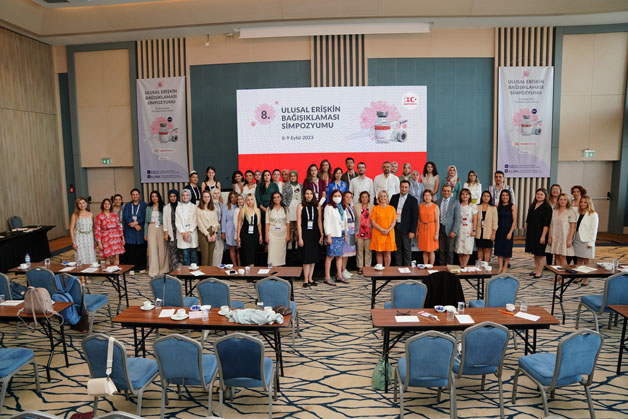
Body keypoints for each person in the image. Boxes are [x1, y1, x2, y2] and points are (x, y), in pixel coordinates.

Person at [297, 187, 323, 287]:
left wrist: (322, 234)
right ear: (304, 195)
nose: (309, 196)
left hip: (315, 234)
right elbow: (299, 223)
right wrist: (300, 237)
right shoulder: (300, 206)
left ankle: (311, 278)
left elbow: (319, 221)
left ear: (313, 195)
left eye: (311, 194)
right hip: (305, 234)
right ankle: (305, 280)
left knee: (313, 257)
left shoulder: (317, 206)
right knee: (306, 258)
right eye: (307, 194)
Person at [390, 180, 419, 267]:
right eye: (402, 187)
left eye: (406, 187)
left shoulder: (413, 200)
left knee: (407, 249)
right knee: (397, 249)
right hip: (395, 226)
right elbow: (390, 212)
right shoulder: (394, 197)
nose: (404, 189)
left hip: (407, 229)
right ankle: (398, 267)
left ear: (409, 188)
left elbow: (415, 217)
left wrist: (412, 231)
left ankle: (407, 267)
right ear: (400, 187)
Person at [525, 188, 552, 279]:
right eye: (537, 194)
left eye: (541, 194)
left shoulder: (547, 207)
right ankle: (536, 269)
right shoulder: (533, 205)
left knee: (541, 253)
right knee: (535, 252)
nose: (539, 196)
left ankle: (540, 271)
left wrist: (543, 236)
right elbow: (528, 220)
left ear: (545, 196)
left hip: (541, 233)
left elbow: (546, 224)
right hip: (532, 233)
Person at [324, 189, 348, 285]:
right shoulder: (328, 207)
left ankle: (339, 275)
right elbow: (326, 222)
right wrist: (328, 236)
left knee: (339, 256)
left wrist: (345, 234)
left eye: (339, 196)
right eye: (335, 196)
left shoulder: (342, 207)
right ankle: (327, 277)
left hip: (341, 234)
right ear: (332, 197)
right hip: (333, 235)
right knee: (330, 256)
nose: (337, 198)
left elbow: (345, 221)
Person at [574, 196, 599, 286]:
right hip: (577, 238)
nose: (582, 204)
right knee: (578, 259)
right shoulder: (578, 212)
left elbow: (594, 229)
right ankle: (579, 276)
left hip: (586, 240)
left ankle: (586, 278)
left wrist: (591, 242)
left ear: (589, 203)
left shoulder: (593, 214)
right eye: (581, 202)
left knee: (586, 260)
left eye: (585, 202)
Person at [548, 193, 577, 269]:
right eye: (560, 199)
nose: (562, 201)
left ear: (567, 201)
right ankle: (558, 273)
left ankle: (564, 273)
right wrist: (550, 237)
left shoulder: (571, 211)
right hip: (555, 236)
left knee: (562, 256)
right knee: (557, 256)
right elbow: (551, 225)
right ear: (558, 201)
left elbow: (573, 227)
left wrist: (569, 239)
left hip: (565, 237)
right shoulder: (554, 210)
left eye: (564, 199)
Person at [144, 190, 168, 277]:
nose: (154, 198)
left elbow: (166, 220)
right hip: (151, 227)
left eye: (156, 196)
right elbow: (146, 222)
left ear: (159, 197)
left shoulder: (164, 207)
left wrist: (166, 232)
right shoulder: (148, 208)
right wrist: (145, 233)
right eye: (152, 196)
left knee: (162, 248)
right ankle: (153, 271)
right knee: (152, 249)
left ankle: (163, 269)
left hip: (161, 227)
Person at [370, 190, 397, 268]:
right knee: (379, 252)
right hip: (378, 233)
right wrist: (382, 230)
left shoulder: (392, 208)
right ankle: (380, 269)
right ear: (378, 198)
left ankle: (387, 270)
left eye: (384, 196)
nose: (383, 197)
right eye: (381, 196)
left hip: (389, 233)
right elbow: (373, 222)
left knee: (387, 253)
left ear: (387, 197)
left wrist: (389, 230)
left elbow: (394, 221)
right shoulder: (375, 208)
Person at [122, 188, 147, 271]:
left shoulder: (144, 205)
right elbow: (125, 216)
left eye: (136, 194)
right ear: (131, 196)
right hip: (130, 230)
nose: (135, 196)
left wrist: (137, 222)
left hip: (140, 230)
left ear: (139, 195)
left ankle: (141, 267)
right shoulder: (127, 205)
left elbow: (145, 216)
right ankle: (131, 268)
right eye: (133, 195)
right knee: (131, 250)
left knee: (141, 250)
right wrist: (133, 224)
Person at [95, 198, 125, 266]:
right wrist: (99, 243)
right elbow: (97, 230)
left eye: (108, 204)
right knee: (107, 258)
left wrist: (122, 238)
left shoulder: (114, 215)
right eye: (105, 204)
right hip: (105, 237)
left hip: (116, 237)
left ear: (111, 205)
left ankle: (116, 271)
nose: (107, 205)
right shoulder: (99, 216)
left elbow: (119, 227)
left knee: (116, 257)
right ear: (102, 205)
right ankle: (109, 271)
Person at [437, 184, 461, 265]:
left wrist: (454, 231)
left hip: (451, 230)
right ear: (442, 192)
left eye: (448, 191)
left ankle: (449, 268)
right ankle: (441, 268)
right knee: (441, 250)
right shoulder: (437, 202)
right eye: (444, 191)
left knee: (450, 251)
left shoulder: (455, 202)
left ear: (451, 192)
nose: (446, 192)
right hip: (440, 229)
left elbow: (457, 219)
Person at [236, 194, 262, 266]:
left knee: (253, 253)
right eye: (248, 200)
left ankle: (252, 269)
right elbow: (239, 224)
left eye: (251, 199)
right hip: (245, 235)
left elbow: (259, 224)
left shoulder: (258, 211)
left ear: (254, 200)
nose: (250, 201)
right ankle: (248, 269)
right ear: (245, 201)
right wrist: (238, 236)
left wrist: (260, 236)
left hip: (254, 235)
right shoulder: (242, 210)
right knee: (246, 253)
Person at [175, 189, 199, 266]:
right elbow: (177, 221)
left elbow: (195, 220)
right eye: (183, 195)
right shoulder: (178, 207)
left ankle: (195, 271)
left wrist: (190, 231)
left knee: (194, 254)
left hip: (192, 232)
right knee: (185, 255)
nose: (185, 197)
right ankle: (187, 272)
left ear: (190, 196)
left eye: (187, 195)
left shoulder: (195, 207)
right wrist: (183, 232)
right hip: (182, 234)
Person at [495, 190, 517, 273]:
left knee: (507, 250)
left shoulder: (512, 206)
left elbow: (514, 221)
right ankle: (500, 266)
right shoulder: (498, 207)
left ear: (509, 196)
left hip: (508, 230)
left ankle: (505, 267)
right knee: (499, 249)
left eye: (506, 195)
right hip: (499, 230)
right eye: (503, 195)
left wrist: (510, 232)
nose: (505, 197)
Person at [266, 191, 290, 267]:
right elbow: (267, 223)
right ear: (272, 199)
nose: (276, 199)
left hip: (282, 234)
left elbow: (288, 223)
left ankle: (280, 271)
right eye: (274, 197)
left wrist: (288, 235)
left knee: (281, 253)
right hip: (272, 233)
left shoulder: (285, 208)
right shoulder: (269, 209)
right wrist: (266, 236)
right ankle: (270, 269)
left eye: (278, 197)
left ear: (281, 198)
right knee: (271, 253)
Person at [71, 197, 97, 265]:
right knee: (81, 256)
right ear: (77, 205)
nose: (82, 205)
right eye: (80, 203)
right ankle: (82, 271)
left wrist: (95, 240)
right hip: (79, 238)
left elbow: (93, 228)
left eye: (83, 203)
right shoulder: (75, 215)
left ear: (86, 203)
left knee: (90, 255)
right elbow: (71, 229)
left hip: (89, 238)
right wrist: (73, 242)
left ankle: (90, 270)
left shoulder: (91, 214)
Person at [255, 170, 279, 243]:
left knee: (272, 226)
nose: (267, 177)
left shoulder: (274, 185)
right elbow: (257, 197)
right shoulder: (259, 186)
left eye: (268, 175)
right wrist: (262, 207)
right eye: (265, 175)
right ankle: (263, 242)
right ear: (263, 177)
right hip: (262, 209)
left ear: (270, 176)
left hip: (272, 208)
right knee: (263, 225)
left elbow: (277, 196)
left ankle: (272, 241)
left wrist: (271, 207)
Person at [454, 188, 477, 268]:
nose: (465, 196)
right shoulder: (458, 206)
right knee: (460, 249)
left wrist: (474, 230)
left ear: (469, 196)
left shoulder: (472, 206)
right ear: (460, 196)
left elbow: (475, 219)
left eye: (467, 194)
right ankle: (461, 266)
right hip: (460, 229)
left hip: (469, 229)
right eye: (463, 194)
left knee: (467, 249)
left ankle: (464, 265)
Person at [196, 190, 219, 266]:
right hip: (203, 233)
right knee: (205, 256)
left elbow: (216, 222)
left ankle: (209, 273)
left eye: (208, 196)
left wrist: (215, 233)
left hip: (213, 231)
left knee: (210, 255)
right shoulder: (199, 209)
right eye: (205, 197)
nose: (207, 198)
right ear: (202, 198)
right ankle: (204, 273)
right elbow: (200, 224)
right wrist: (207, 234)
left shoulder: (213, 208)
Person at [475, 190, 498, 263]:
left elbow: (495, 222)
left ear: (490, 198)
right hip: (479, 231)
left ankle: (486, 265)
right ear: (481, 197)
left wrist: (493, 234)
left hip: (489, 232)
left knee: (487, 249)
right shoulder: (477, 207)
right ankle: (480, 265)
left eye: (488, 196)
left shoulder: (493, 208)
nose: (486, 197)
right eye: (484, 196)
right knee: (480, 249)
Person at [354, 191, 374, 275]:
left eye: (366, 197)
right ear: (360, 198)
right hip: (359, 232)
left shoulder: (373, 207)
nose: (364, 198)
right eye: (362, 197)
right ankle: (360, 267)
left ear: (369, 198)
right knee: (359, 251)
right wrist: (354, 232)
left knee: (368, 251)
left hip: (369, 232)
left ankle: (367, 267)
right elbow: (354, 220)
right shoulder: (356, 207)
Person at [418, 189, 440, 265]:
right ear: (423, 197)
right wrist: (417, 231)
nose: (427, 197)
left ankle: (431, 266)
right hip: (422, 228)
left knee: (431, 250)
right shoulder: (420, 206)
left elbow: (437, 221)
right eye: (425, 195)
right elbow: (419, 219)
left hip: (432, 229)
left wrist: (437, 233)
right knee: (424, 249)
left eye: (428, 195)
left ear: (431, 197)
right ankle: (425, 265)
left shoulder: (435, 206)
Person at [163, 189, 183, 269]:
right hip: (171, 232)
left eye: (174, 196)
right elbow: (165, 221)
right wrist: (165, 233)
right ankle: (173, 270)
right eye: (170, 196)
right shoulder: (166, 207)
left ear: (177, 196)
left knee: (181, 251)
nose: (172, 198)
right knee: (172, 252)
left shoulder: (181, 206)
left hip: (180, 232)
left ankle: (182, 270)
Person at [282, 171, 302, 249]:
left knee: (297, 226)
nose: (293, 177)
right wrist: (285, 207)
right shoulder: (287, 186)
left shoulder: (301, 186)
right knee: (290, 227)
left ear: (297, 177)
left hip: (298, 208)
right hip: (289, 208)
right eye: (291, 176)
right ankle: (290, 241)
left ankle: (296, 241)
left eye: (294, 176)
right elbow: (283, 197)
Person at [341, 191, 356, 279]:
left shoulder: (350, 208)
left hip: (352, 232)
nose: (349, 199)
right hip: (346, 233)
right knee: (343, 253)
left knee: (348, 253)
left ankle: (344, 269)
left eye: (350, 197)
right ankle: (341, 270)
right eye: (347, 197)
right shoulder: (341, 208)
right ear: (343, 197)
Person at [222, 191, 240, 266]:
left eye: (235, 197)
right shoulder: (226, 208)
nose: (234, 199)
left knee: (239, 248)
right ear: (229, 198)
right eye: (232, 197)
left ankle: (240, 265)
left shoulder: (240, 207)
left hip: (238, 228)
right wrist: (223, 232)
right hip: (229, 228)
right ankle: (235, 265)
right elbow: (223, 220)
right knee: (232, 247)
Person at [546, 184, 562, 266]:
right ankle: (548, 264)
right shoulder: (547, 201)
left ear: (560, 191)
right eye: (553, 189)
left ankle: (556, 264)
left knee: (557, 245)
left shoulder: (562, 201)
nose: (555, 191)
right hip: (548, 225)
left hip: (558, 226)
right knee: (549, 244)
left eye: (557, 189)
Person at [211, 187, 225, 266]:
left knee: (221, 248)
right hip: (214, 228)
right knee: (215, 250)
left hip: (221, 228)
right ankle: (215, 267)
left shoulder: (220, 204)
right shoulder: (210, 204)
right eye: (214, 193)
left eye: (218, 193)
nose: (216, 195)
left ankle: (219, 265)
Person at [232, 194, 244, 266]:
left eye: (241, 199)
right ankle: (239, 267)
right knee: (239, 252)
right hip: (239, 234)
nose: (240, 201)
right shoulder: (236, 210)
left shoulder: (247, 209)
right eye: (238, 199)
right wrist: (239, 235)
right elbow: (235, 223)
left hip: (247, 234)